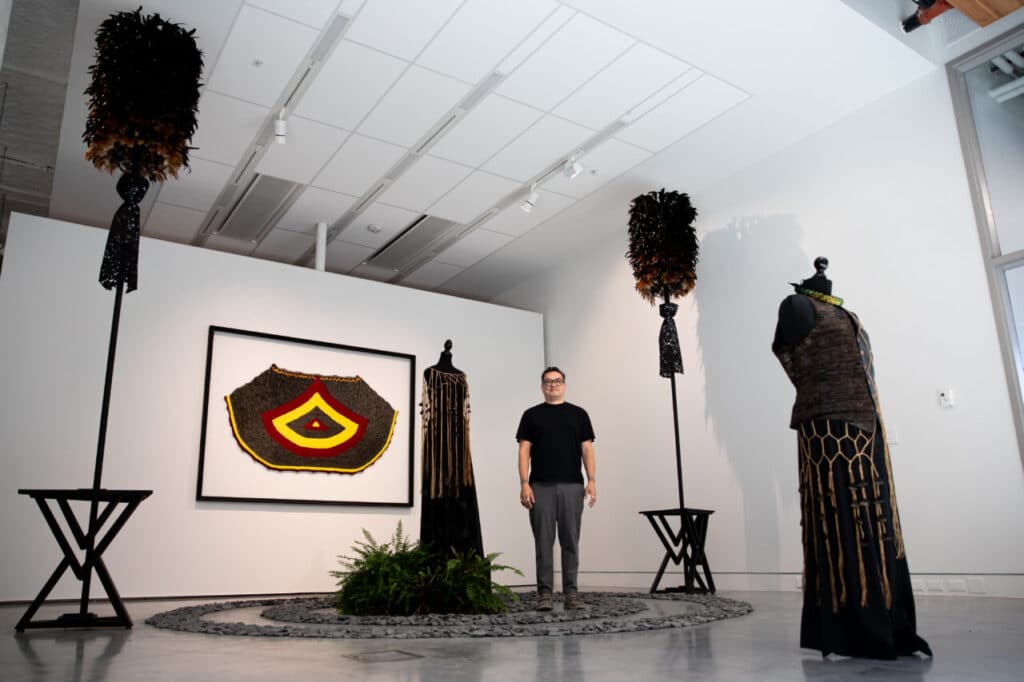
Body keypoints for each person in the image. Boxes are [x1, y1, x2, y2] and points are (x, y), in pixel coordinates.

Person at [773, 258, 931, 660]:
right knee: (837, 521)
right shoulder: (796, 306)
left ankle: (889, 624)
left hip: (866, 429)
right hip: (829, 433)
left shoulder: (845, 312)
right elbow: (794, 361)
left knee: (877, 524)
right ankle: (851, 629)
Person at [516, 366, 596, 611]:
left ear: (564, 384)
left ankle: (572, 593)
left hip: (573, 486)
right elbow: (524, 450)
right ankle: (545, 594)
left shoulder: (579, 414)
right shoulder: (531, 415)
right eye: (548, 381)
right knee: (543, 543)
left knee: (570, 541)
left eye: (557, 380)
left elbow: (587, 449)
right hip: (540, 487)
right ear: (542, 386)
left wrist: (592, 480)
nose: (553, 384)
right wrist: (524, 483)